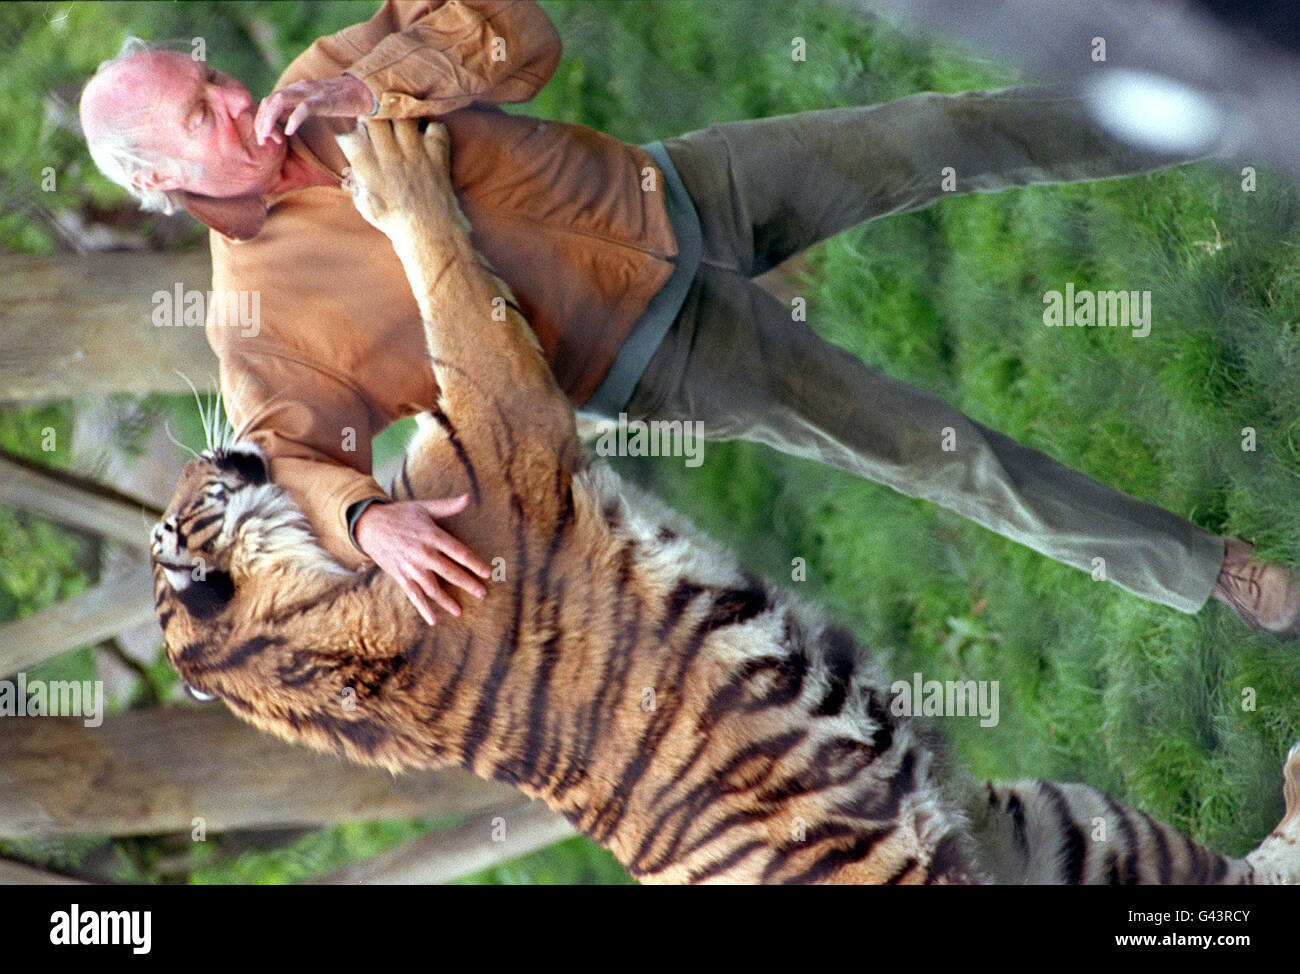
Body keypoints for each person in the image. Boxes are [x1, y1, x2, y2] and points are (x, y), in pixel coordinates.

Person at [80, 0, 1298, 636]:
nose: (239, 101)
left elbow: (517, 32)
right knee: (942, 453)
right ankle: (1214, 573)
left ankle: (1233, 103)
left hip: (676, 183)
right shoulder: (256, 320)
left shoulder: (321, 84)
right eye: (199, 115)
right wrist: (368, 519)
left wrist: (379, 81)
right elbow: (285, 464)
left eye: (213, 79)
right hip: (663, 360)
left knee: (945, 132)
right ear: (155, 182)